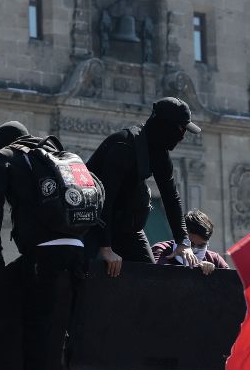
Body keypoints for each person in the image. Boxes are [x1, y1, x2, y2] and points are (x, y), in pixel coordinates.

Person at [0, 121, 84, 370]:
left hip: (45, 250)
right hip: (79, 249)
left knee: (36, 323)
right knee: (73, 323)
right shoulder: (56, 152)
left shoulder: (3, 157)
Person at [85, 97, 201, 276]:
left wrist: (183, 242)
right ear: (165, 127)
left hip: (127, 225)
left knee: (149, 278)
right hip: (94, 223)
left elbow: (171, 197)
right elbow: (105, 201)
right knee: (87, 277)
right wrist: (105, 248)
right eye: (181, 128)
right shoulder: (124, 146)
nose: (183, 135)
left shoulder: (159, 153)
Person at [152, 209, 229, 275]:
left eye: (201, 246)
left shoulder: (214, 260)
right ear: (181, 234)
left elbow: (233, 285)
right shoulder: (161, 250)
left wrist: (213, 273)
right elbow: (160, 277)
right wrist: (196, 269)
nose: (195, 249)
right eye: (191, 244)